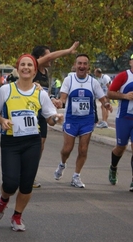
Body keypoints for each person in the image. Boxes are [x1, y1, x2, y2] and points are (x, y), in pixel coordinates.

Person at [0, 54, 63, 231]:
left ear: (34, 70)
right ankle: (3, 199)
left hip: (32, 142)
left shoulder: (40, 93)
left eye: (29, 65)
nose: (26, 67)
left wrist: (56, 119)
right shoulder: (5, 90)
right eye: (22, 64)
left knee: (26, 183)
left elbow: (50, 118)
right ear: (17, 68)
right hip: (11, 142)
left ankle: (17, 216)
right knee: (10, 183)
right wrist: (2, 121)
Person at [53, 54, 112, 188]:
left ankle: (76, 176)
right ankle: (62, 164)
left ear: (88, 67)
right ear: (75, 65)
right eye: (79, 63)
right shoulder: (69, 80)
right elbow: (63, 98)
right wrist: (59, 102)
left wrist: (107, 104)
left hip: (87, 120)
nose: (82, 66)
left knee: (83, 149)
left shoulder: (93, 82)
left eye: (85, 64)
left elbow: (102, 98)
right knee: (67, 149)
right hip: (71, 120)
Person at [31, 42, 79, 188]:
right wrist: (68, 50)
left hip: (42, 114)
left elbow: (43, 92)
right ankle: (21, 172)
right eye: (48, 56)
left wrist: (53, 100)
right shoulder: (33, 67)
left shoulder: (46, 73)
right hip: (28, 112)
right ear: (40, 57)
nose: (51, 59)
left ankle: (30, 175)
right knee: (28, 143)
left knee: (40, 145)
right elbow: (52, 56)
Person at [107, 54, 133, 191]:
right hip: (124, 118)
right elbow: (110, 93)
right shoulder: (124, 76)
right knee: (120, 148)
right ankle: (113, 167)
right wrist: (125, 96)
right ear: (130, 62)